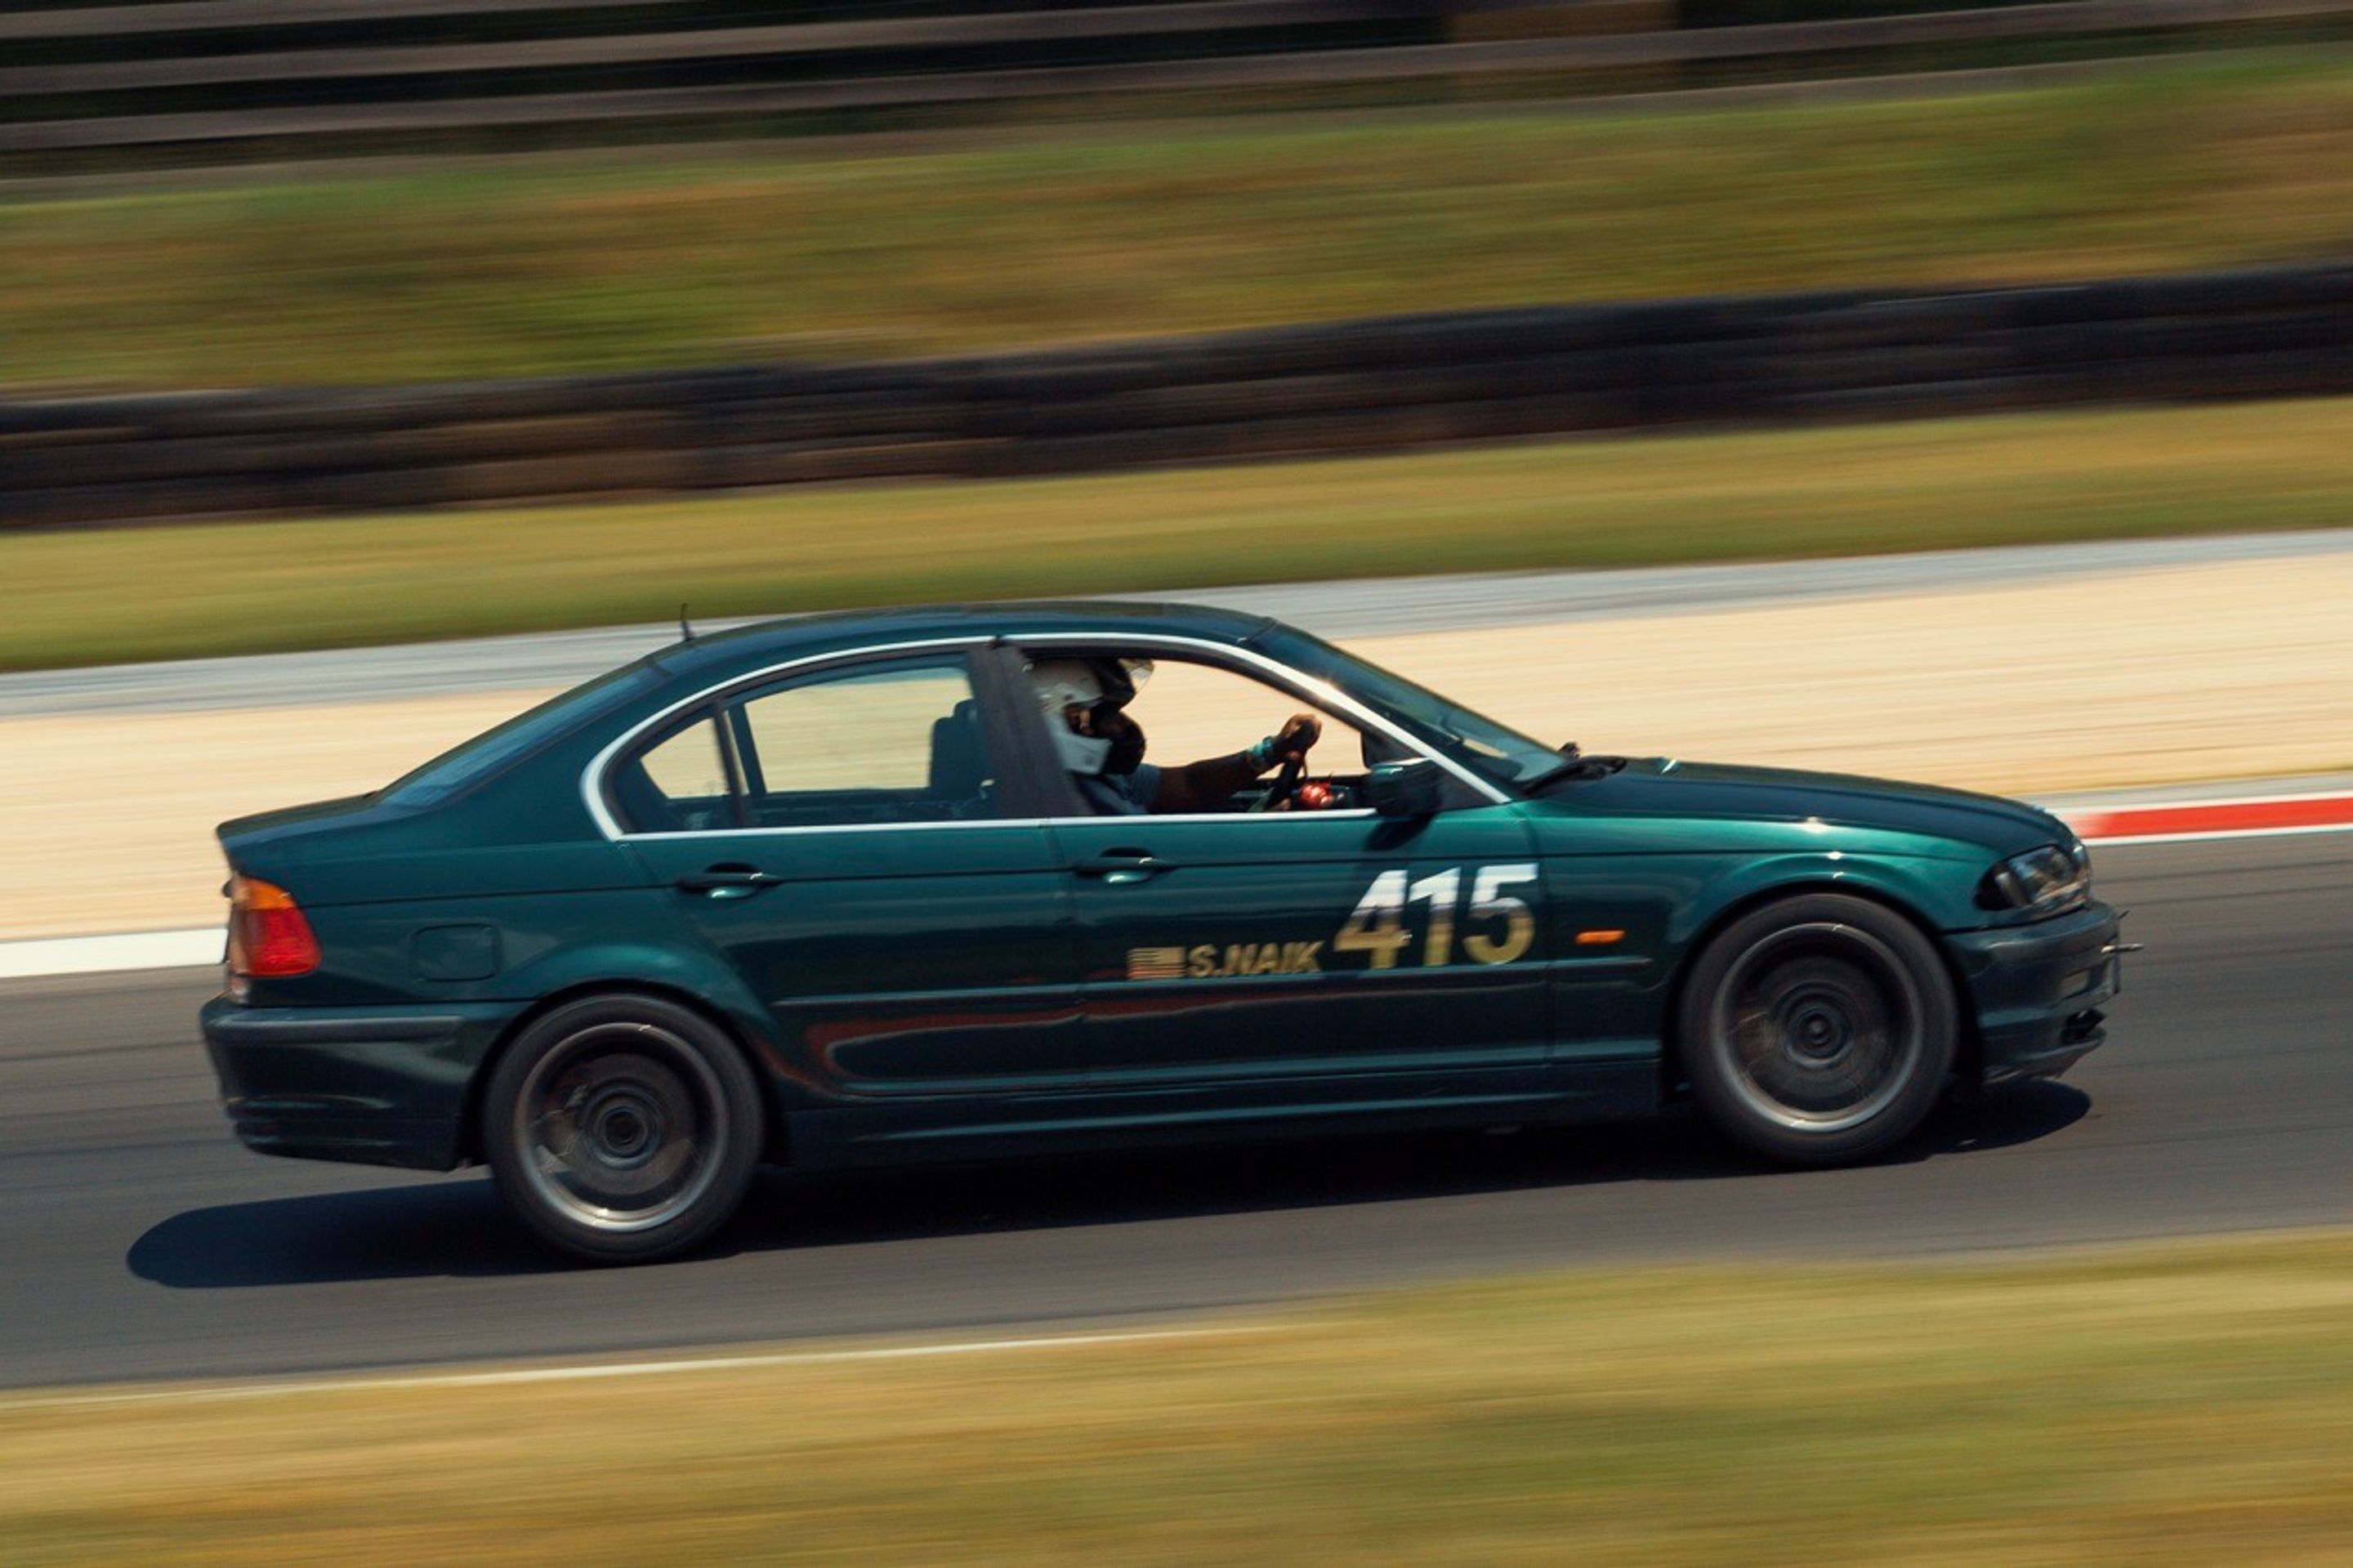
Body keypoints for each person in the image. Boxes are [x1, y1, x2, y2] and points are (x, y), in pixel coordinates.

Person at [1028, 658, 1321, 815]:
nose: (1123, 727)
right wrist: (1256, 832)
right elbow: (1168, 854)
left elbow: (1188, 785)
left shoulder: (1097, 775)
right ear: (1067, 720)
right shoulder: (1078, 801)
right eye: (1109, 716)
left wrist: (1271, 751)